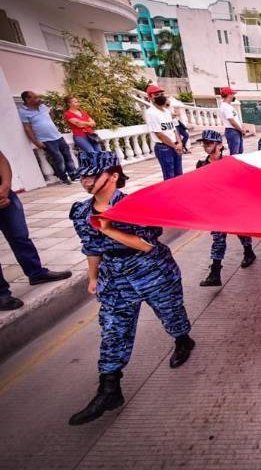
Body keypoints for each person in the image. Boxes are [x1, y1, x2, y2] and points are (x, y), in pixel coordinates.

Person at [68, 151, 194, 425]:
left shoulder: (136, 206)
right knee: (113, 329)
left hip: (152, 270)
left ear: (113, 176)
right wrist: (92, 277)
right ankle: (110, 388)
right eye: (84, 176)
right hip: (114, 278)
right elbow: (91, 248)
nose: (86, 181)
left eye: (93, 175)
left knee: (170, 314)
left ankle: (183, 340)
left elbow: (147, 245)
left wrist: (108, 229)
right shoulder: (81, 212)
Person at [0, 151, 72, 310]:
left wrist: (5, 187)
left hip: (5, 194)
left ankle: (36, 272)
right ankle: (1, 294)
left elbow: (1, 160)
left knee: (20, 236)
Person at [197, 130, 256, 287]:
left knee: (241, 232)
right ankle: (215, 273)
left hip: (232, 206)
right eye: (204, 143)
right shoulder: (201, 165)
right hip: (216, 209)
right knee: (218, 239)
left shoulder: (230, 162)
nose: (205, 146)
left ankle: (249, 252)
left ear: (219, 145)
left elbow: (242, 183)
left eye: (208, 143)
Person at [19, 91, 78, 184]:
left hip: (57, 136)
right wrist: (36, 142)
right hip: (45, 140)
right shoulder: (23, 111)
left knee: (67, 155)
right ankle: (63, 177)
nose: (38, 99)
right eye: (35, 97)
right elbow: (27, 128)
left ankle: (73, 174)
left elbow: (51, 116)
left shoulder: (42, 106)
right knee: (59, 159)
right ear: (27, 99)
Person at [144, 85, 183, 181]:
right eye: (156, 95)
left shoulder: (166, 111)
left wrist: (180, 142)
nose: (160, 96)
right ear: (149, 97)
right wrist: (175, 146)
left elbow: (173, 129)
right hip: (164, 148)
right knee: (170, 176)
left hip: (175, 145)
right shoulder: (151, 113)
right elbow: (160, 135)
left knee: (179, 175)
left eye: (161, 94)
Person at [218, 87, 245, 155]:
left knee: (240, 152)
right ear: (229, 95)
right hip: (232, 131)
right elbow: (232, 121)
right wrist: (241, 130)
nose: (233, 96)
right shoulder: (225, 107)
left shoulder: (228, 106)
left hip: (235, 131)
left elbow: (235, 119)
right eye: (232, 94)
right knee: (235, 153)